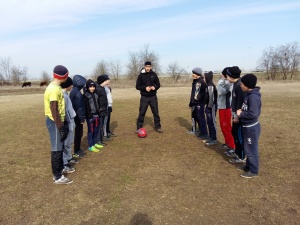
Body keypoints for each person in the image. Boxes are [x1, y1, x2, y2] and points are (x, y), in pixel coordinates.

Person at [44, 65, 72, 184]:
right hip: (54, 121)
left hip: (59, 121)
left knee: (59, 147)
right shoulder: (53, 89)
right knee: (56, 148)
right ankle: (57, 177)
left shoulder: (57, 87)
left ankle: (61, 169)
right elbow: (54, 109)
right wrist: (60, 126)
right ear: (64, 76)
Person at [237, 74, 261, 178]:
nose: (241, 85)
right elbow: (248, 109)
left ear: (247, 85)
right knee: (247, 148)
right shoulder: (248, 94)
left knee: (251, 149)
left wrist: (241, 114)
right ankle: (248, 165)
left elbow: (253, 114)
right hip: (246, 127)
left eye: (242, 84)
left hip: (251, 128)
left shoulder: (254, 97)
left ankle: (254, 171)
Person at [226, 66, 246, 163]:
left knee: (239, 136)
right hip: (234, 114)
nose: (227, 78)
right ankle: (237, 152)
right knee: (234, 133)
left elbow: (241, 102)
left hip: (238, 117)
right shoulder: (235, 84)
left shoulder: (240, 86)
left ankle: (242, 156)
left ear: (232, 76)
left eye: (228, 76)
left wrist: (236, 116)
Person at [136, 61, 162, 133]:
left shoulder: (154, 74)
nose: (148, 68)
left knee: (156, 112)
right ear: (144, 66)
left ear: (151, 67)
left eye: (149, 66)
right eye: (146, 66)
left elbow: (158, 85)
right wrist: (145, 88)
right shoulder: (141, 75)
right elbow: (137, 86)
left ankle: (158, 127)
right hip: (144, 97)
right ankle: (139, 128)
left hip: (153, 97)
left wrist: (155, 87)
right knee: (142, 112)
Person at [61, 77, 77, 173]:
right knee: (66, 143)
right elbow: (65, 111)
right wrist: (68, 123)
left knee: (70, 141)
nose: (72, 86)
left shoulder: (66, 94)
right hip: (67, 122)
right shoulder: (63, 95)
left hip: (71, 121)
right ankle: (64, 162)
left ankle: (69, 157)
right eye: (71, 84)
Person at [217, 68, 235, 152]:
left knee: (227, 127)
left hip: (226, 108)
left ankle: (232, 146)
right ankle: (227, 143)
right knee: (223, 127)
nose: (220, 74)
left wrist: (221, 81)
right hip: (221, 107)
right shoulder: (223, 82)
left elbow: (220, 91)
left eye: (222, 73)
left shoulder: (228, 83)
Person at [69, 74, 87, 159]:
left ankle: (77, 149)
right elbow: (79, 107)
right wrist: (82, 118)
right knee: (79, 134)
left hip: (74, 115)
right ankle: (77, 150)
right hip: (77, 117)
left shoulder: (73, 91)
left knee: (78, 133)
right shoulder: (78, 94)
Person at [83, 79, 103, 152]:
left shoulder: (96, 94)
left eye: (93, 86)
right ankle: (90, 146)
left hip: (96, 115)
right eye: (90, 87)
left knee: (96, 130)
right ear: (87, 87)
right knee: (91, 131)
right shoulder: (85, 95)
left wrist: (99, 110)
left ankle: (95, 143)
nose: (92, 88)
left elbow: (97, 103)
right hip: (90, 117)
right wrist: (89, 115)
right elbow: (86, 107)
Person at [189, 67, 208, 138]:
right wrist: (191, 103)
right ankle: (200, 130)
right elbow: (193, 93)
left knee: (201, 117)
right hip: (195, 103)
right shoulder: (196, 81)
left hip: (199, 103)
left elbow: (205, 92)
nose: (192, 74)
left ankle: (204, 133)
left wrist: (199, 98)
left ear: (197, 74)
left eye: (193, 73)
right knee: (196, 117)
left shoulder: (201, 82)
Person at [203, 71, 218, 146]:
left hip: (211, 107)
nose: (204, 79)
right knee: (208, 122)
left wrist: (209, 106)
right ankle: (211, 136)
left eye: (205, 77)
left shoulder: (210, 85)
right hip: (208, 106)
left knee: (212, 122)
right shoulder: (207, 85)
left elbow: (211, 98)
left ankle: (214, 138)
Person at [95, 74, 110, 146]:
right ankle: (98, 140)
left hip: (104, 109)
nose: (108, 82)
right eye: (106, 80)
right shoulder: (98, 89)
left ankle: (101, 138)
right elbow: (96, 100)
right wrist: (99, 108)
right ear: (102, 81)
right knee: (99, 125)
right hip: (100, 111)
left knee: (102, 124)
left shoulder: (102, 88)